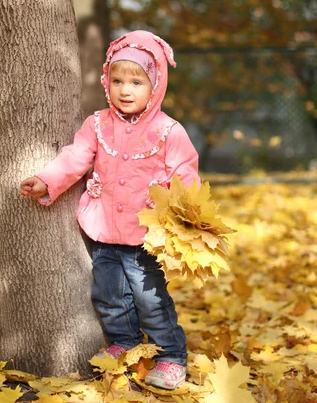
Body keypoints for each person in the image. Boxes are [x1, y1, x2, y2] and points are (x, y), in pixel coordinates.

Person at [20, 30, 200, 390]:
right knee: (108, 294)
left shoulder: (168, 131)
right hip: (102, 230)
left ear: (156, 85)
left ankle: (171, 356)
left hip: (146, 235)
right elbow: (75, 158)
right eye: (117, 80)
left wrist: (183, 218)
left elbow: (186, 174)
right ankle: (126, 342)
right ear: (107, 81)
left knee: (150, 299)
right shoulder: (98, 124)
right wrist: (46, 180)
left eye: (137, 81)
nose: (125, 89)